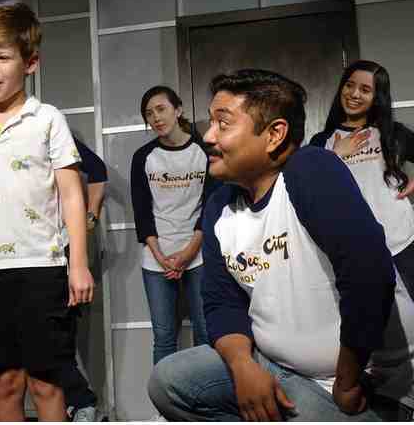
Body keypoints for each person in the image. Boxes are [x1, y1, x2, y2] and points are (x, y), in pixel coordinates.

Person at [147, 69, 401, 421]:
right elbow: (221, 302)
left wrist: (347, 382)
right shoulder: (219, 206)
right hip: (270, 364)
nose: (207, 135)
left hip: (340, 382)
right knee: (168, 381)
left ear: (274, 135)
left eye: (223, 124)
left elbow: (369, 275)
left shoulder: (309, 170)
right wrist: (243, 368)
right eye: (211, 122)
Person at [0, 0, 94, 422]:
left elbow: (72, 195)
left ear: (31, 62)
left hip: (43, 268)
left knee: (46, 383)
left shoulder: (47, 120)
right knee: (5, 383)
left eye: (3, 57)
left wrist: (78, 264)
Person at [310, 60, 414, 300]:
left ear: (377, 97)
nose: (354, 94)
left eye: (365, 90)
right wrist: (334, 156)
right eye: (349, 85)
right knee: (376, 317)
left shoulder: (393, 133)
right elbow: (309, 190)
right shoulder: (322, 141)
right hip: (354, 251)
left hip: (403, 242)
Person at [131, 86, 218, 370]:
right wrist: (161, 257)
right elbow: (142, 213)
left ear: (178, 110)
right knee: (164, 337)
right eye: (149, 114)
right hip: (157, 257)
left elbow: (210, 207)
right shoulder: (143, 157)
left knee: (206, 332)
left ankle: (205, 395)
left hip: (198, 254)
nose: (156, 118)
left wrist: (188, 253)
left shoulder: (204, 151)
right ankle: (165, 398)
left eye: (161, 109)